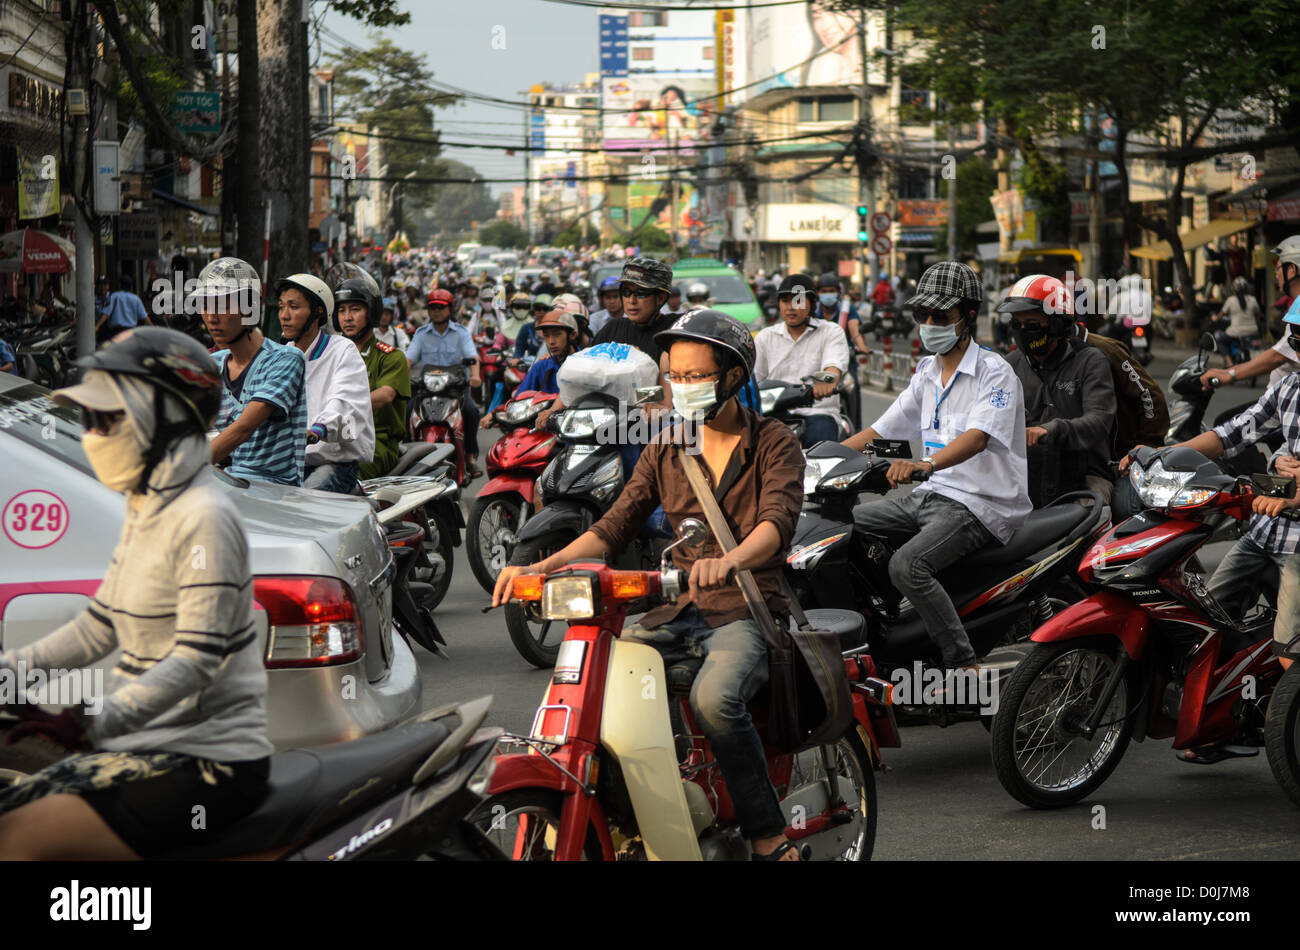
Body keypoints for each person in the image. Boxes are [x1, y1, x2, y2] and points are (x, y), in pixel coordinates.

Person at [493, 309, 806, 861]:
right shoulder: (666, 447)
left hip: (745, 609)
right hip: (675, 608)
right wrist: (539, 568)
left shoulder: (774, 441)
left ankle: (767, 836)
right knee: (601, 688)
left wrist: (730, 559)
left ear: (732, 376)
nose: (682, 388)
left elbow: (775, 525)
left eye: (695, 377)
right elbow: (613, 526)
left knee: (714, 700)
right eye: (675, 378)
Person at [0, 328, 272, 859]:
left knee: (19, 834)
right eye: (89, 420)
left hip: (206, 764)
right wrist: (13, 672)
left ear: (166, 420)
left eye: (108, 418)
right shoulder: (147, 505)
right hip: (142, 745)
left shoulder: (204, 517)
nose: (94, 432)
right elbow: (100, 624)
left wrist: (88, 718)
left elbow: (195, 659)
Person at [842, 261, 1031, 669]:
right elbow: (881, 428)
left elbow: (978, 437)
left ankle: (962, 662)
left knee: (907, 566)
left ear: (968, 318)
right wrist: (823, 457)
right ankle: (891, 628)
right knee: (845, 530)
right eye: (922, 314)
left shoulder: (994, 373)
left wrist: (924, 464)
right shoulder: (926, 371)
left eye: (940, 316)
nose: (929, 323)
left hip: (980, 504)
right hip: (933, 495)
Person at [1121, 296, 1300, 697]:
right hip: (1265, 531)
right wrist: (1163, 453)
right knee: (1201, 621)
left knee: (1290, 651)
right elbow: (1231, 433)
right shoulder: (1290, 388)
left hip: (1297, 545)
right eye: (1297, 339)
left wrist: (1292, 494)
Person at [999, 275, 1117, 507]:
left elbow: (1099, 421)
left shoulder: (1090, 361)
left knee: (1086, 518)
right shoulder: (1008, 366)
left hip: (1083, 477)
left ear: (1057, 323)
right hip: (1024, 474)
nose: (1022, 331)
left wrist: (1049, 430)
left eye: (1031, 325)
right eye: (1016, 324)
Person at [199, 257, 308, 486]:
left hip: (275, 491)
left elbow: (244, 428)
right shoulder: (211, 364)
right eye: (206, 305)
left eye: (224, 305)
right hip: (228, 483)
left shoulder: (285, 359)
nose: (211, 317)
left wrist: (183, 468)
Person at [276, 273, 375, 493]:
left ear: (318, 311)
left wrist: (319, 429)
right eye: (281, 307)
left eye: (293, 307)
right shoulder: (281, 356)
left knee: (301, 509)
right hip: (287, 465)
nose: (284, 315)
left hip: (332, 464)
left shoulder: (342, 350)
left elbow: (344, 401)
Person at [753, 274, 850, 447]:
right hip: (773, 413)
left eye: (798, 301)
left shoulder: (831, 332)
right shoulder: (765, 337)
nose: (791, 307)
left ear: (812, 304)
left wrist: (827, 381)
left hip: (818, 412)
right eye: (785, 301)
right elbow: (753, 380)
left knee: (820, 451)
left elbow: (833, 366)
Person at [1200, 235, 1300, 391]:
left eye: (1278, 268)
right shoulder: (1254, 300)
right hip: (1277, 398)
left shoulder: (1231, 300)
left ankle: (1228, 360)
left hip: (1284, 406)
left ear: (1292, 270)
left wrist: (1229, 375)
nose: (1276, 274)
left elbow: (1278, 355)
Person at [336, 277, 410, 480]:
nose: (347, 318)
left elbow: (384, 395)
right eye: (342, 311)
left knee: (338, 480)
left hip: (376, 443)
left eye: (355, 310)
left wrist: (335, 410)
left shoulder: (391, 357)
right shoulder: (331, 355)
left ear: (372, 312)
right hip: (333, 438)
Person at [406, 287, 483, 478]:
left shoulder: (461, 332)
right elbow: (408, 360)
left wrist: (475, 376)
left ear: (450, 309)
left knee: (472, 412)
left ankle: (471, 457)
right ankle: (406, 456)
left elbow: (473, 357)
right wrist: (400, 378)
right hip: (426, 389)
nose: (437, 311)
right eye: (433, 307)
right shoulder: (421, 333)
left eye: (441, 307)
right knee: (406, 410)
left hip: (455, 389)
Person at [1212, 277, 1262, 370]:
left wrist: (1215, 318)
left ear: (1233, 289)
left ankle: (1229, 363)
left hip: (1235, 332)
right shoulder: (1253, 300)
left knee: (1218, 337)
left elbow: (1220, 315)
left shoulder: (1230, 300)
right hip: (1252, 331)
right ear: (1246, 288)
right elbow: (1258, 315)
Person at [95, 274, 153, 345]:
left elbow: (106, 314)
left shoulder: (114, 296)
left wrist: (97, 326)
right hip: (131, 332)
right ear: (131, 287)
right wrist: (153, 328)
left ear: (120, 285)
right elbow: (145, 317)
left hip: (117, 332)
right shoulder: (136, 298)